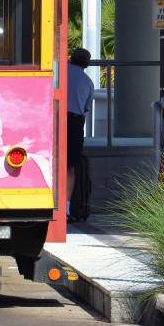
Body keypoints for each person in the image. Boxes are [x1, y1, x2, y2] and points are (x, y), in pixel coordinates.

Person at [66, 47, 94, 221]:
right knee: (70, 168)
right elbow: (85, 108)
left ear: (71, 59)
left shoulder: (59, 73)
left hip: (55, 118)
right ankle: (66, 209)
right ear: (87, 64)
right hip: (75, 123)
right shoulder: (88, 82)